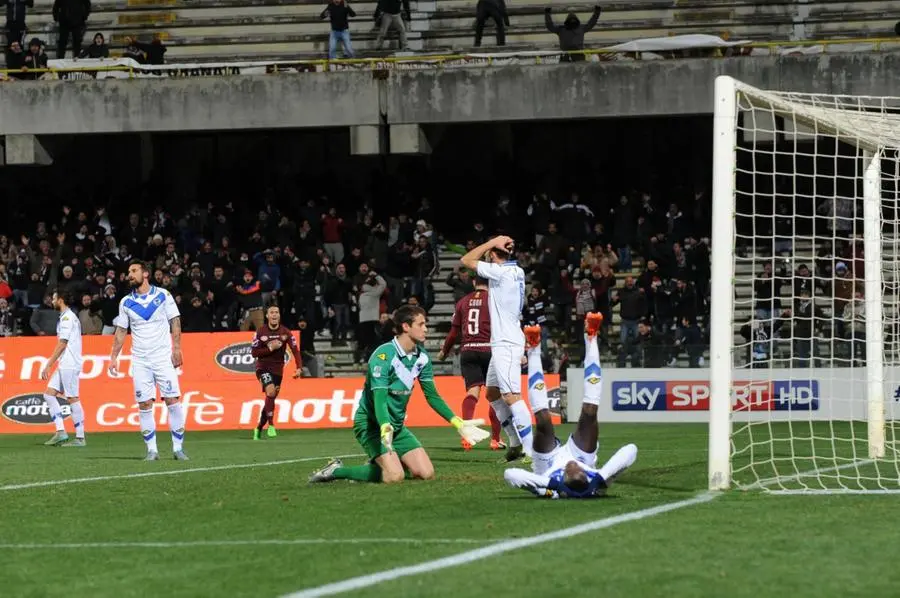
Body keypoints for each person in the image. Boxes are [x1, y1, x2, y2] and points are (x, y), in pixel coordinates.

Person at [308, 305, 489, 484]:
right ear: (406, 327)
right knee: (395, 477)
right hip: (372, 425)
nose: (426, 328)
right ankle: (336, 471)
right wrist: (385, 425)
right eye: (421, 324)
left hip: (397, 427)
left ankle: (380, 465)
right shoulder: (383, 356)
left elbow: (432, 396)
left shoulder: (422, 357)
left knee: (426, 473)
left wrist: (457, 422)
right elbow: (379, 399)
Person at [505, 313, 638, 498]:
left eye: (571, 469)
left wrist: (555, 485)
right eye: (580, 471)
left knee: (543, 420)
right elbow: (631, 450)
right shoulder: (594, 478)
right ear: (586, 475)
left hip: (548, 464)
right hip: (582, 455)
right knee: (590, 412)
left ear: (565, 478)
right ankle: (591, 336)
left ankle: (533, 348)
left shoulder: (550, 489)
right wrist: (601, 478)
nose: (572, 465)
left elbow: (510, 475)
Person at [460, 235, 533, 461]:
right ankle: (515, 444)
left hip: (507, 342)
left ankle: (532, 450)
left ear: (493, 254)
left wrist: (492, 242)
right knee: (492, 393)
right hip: (502, 341)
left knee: (511, 395)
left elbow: (466, 260)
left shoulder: (500, 273)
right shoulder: (516, 271)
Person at [108, 260, 187, 461]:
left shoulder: (163, 295)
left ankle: (178, 449)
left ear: (145, 274)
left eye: (133, 271)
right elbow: (121, 331)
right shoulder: (125, 302)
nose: (129, 274)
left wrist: (177, 348)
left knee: (172, 400)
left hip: (162, 357)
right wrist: (113, 357)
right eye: (128, 271)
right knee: (144, 404)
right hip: (140, 360)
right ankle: (152, 450)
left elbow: (175, 321)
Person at [437, 276, 504, 451]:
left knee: (472, 392)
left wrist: (444, 351)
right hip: (489, 349)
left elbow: (453, 333)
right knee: (494, 396)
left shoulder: (463, 302)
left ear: (474, 283)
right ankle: (496, 439)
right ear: (491, 283)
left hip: (468, 350)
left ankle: (467, 436)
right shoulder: (495, 300)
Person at [39, 290, 87, 447]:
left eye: (53, 298)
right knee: (49, 395)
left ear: (60, 300)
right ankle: (61, 432)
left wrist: (48, 364)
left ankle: (80, 438)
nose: (52, 301)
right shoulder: (66, 316)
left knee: (72, 398)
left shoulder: (67, 318)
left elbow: (63, 343)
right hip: (65, 363)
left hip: (70, 363)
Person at [250, 304, 302, 440]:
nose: (274, 315)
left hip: (278, 370)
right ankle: (271, 425)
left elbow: (295, 350)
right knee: (271, 391)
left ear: (279, 315)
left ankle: (259, 427)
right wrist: (270, 349)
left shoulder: (286, 332)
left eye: (276, 312)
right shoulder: (260, 332)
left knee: (270, 397)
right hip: (262, 368)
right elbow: (254, 352)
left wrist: (299, 368)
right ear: (267, 316)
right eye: (271, 312)